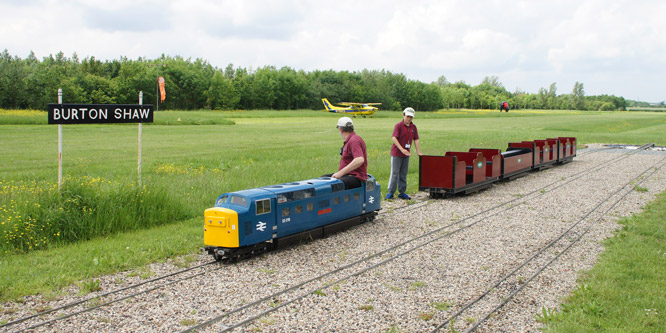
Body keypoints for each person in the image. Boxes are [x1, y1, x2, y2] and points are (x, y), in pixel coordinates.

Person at [386, 107, 421, 200]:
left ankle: (402, 192)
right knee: (394, 173)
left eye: (411, 117)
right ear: (403, 115)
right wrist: (402, 149)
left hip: (406, 154)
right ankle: (391, 192)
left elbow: (416, 139)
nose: (409, 119)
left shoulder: (414, 127)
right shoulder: (398, 126)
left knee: (403, 173)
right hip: (397, 153)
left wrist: (418, 151)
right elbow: (394, 138)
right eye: (408, 116)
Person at [327, 116, 367, 189]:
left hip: (355, 177)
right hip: (348, 175)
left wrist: (340, 173)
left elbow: (359, 159)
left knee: (333, 186)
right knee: (323, 179)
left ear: (341, 129)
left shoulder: (354, 140)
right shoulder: (351, 139)